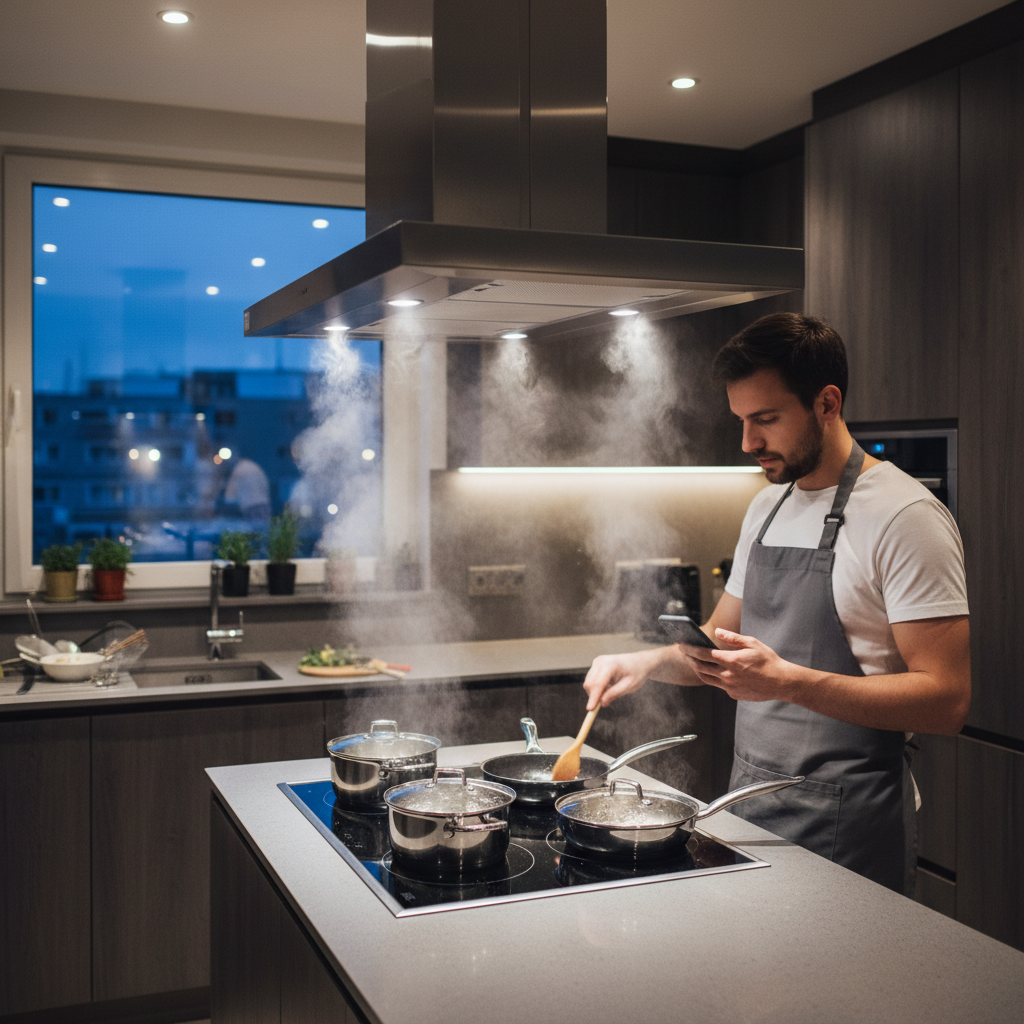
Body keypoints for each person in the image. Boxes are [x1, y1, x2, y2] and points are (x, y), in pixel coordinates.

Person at [583, 312, 970, 894]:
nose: (748, 443)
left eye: (765, 419)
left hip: (852, 828)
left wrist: (787, 682)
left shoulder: (905, 517)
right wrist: (642, 664)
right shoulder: (765, 511)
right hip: (750, 810)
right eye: (741, 421)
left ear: (827, 403)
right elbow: (718, 643)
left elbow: (946, 700)